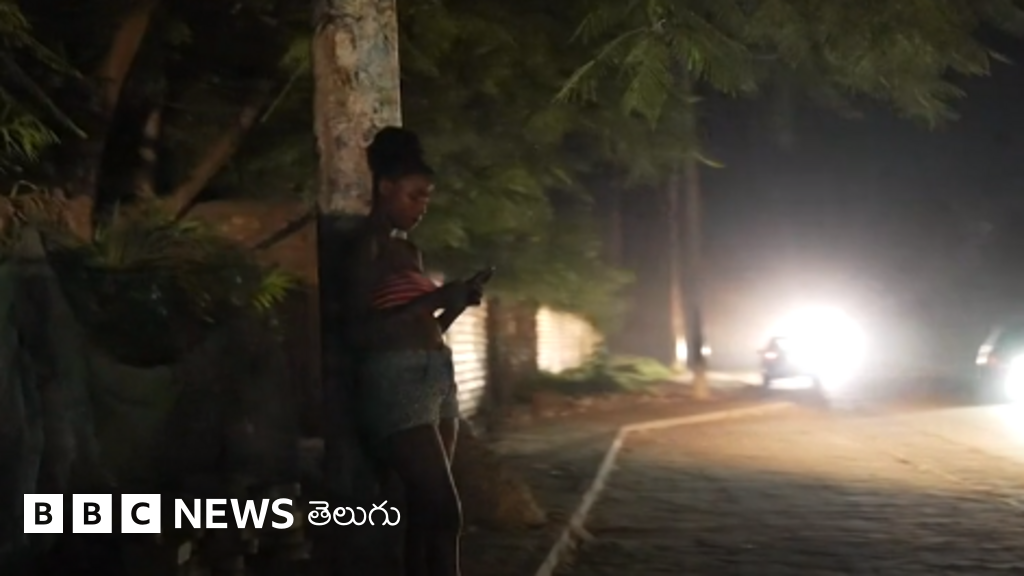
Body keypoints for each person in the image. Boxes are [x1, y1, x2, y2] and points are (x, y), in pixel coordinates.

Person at [341, 126, 485, 576]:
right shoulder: (364, 246)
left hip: (436, 375)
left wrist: (454, 305)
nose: (422, 207)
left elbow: (423, 326)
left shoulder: (409, 252)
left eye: (427, 198)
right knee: (443, 512)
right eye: (414, 195)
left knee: (425, 514)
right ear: (385, 187)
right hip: (396, 380)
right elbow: (359, 331)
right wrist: (435, 298)